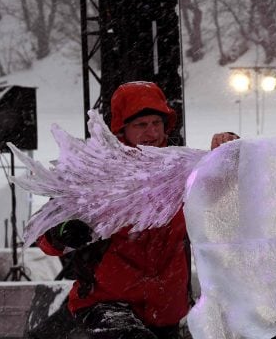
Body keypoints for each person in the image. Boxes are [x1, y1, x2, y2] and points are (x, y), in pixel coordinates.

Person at [32, 81, 238, 339]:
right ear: (122, 130)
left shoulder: (182, 174)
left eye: (156, 123)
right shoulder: (99, 175)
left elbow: (226, 193)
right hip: (106, 304)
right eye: (141, 125)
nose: (151, 132)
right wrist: (62, 232)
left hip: (167, 312)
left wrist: (229, 150)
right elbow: (45, 238)